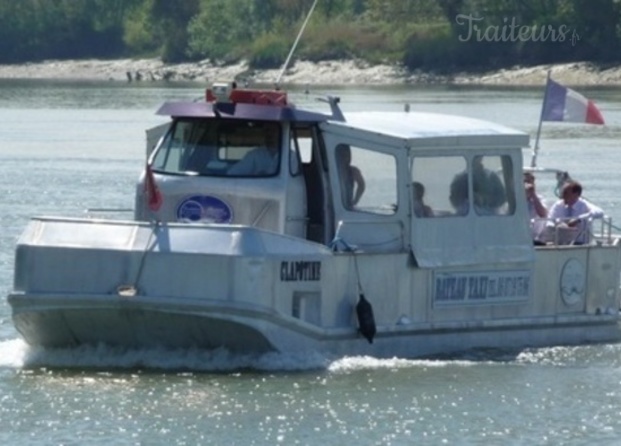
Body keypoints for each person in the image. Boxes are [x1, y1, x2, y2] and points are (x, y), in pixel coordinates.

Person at [547, 180, 604, 245]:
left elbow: (600, 212)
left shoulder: (584, 205)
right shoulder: (558, 205)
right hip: (561, 242)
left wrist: (579, 219)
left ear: (576, 194)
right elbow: (550, 220)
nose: (563, 196)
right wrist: (559, 226)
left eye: (566, 193)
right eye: (563, 193)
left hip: (580, 243)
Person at [523, 172, 548, 244]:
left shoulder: (540, 199)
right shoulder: (515, 200)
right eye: (525, 182)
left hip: (536, 238)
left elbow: (543, 214)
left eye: (530, 182)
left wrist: (533, 194)